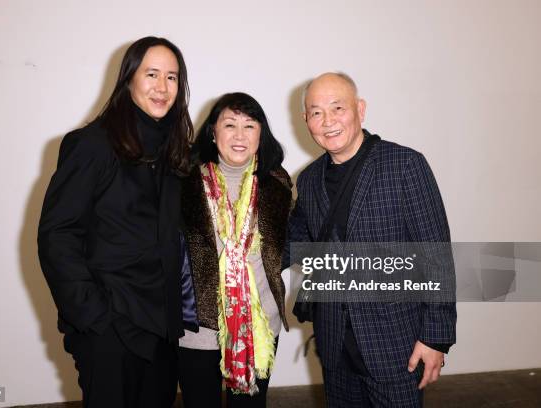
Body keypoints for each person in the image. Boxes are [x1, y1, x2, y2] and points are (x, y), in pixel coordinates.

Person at [37, 36, 193, 408]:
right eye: (151, 74)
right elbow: (57, 235)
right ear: (129, 79)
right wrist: (95, 317)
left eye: (172, 77)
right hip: (110, 329)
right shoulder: (92, 144)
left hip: (162, 332)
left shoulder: (175, 153)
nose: (162, 87)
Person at [284, 72, 456, 407]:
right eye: (316, 112)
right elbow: (297, 240)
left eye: (338, 108)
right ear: (306, 120)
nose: (328, 121)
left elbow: (436, 256)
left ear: (360, 110)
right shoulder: (309, 180)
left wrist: (435, 337)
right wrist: (241, 254)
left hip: (395, 344)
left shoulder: (404, 165)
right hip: (335, 345)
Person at [178, 92, 292, 407]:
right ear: (213, 133)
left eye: (249, 126)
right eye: (230, 125)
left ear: (261, 135)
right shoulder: (182, 183)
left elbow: (290, 243)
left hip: (259, 326)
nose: (239, 135)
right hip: (198, 330)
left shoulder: (278, 184)